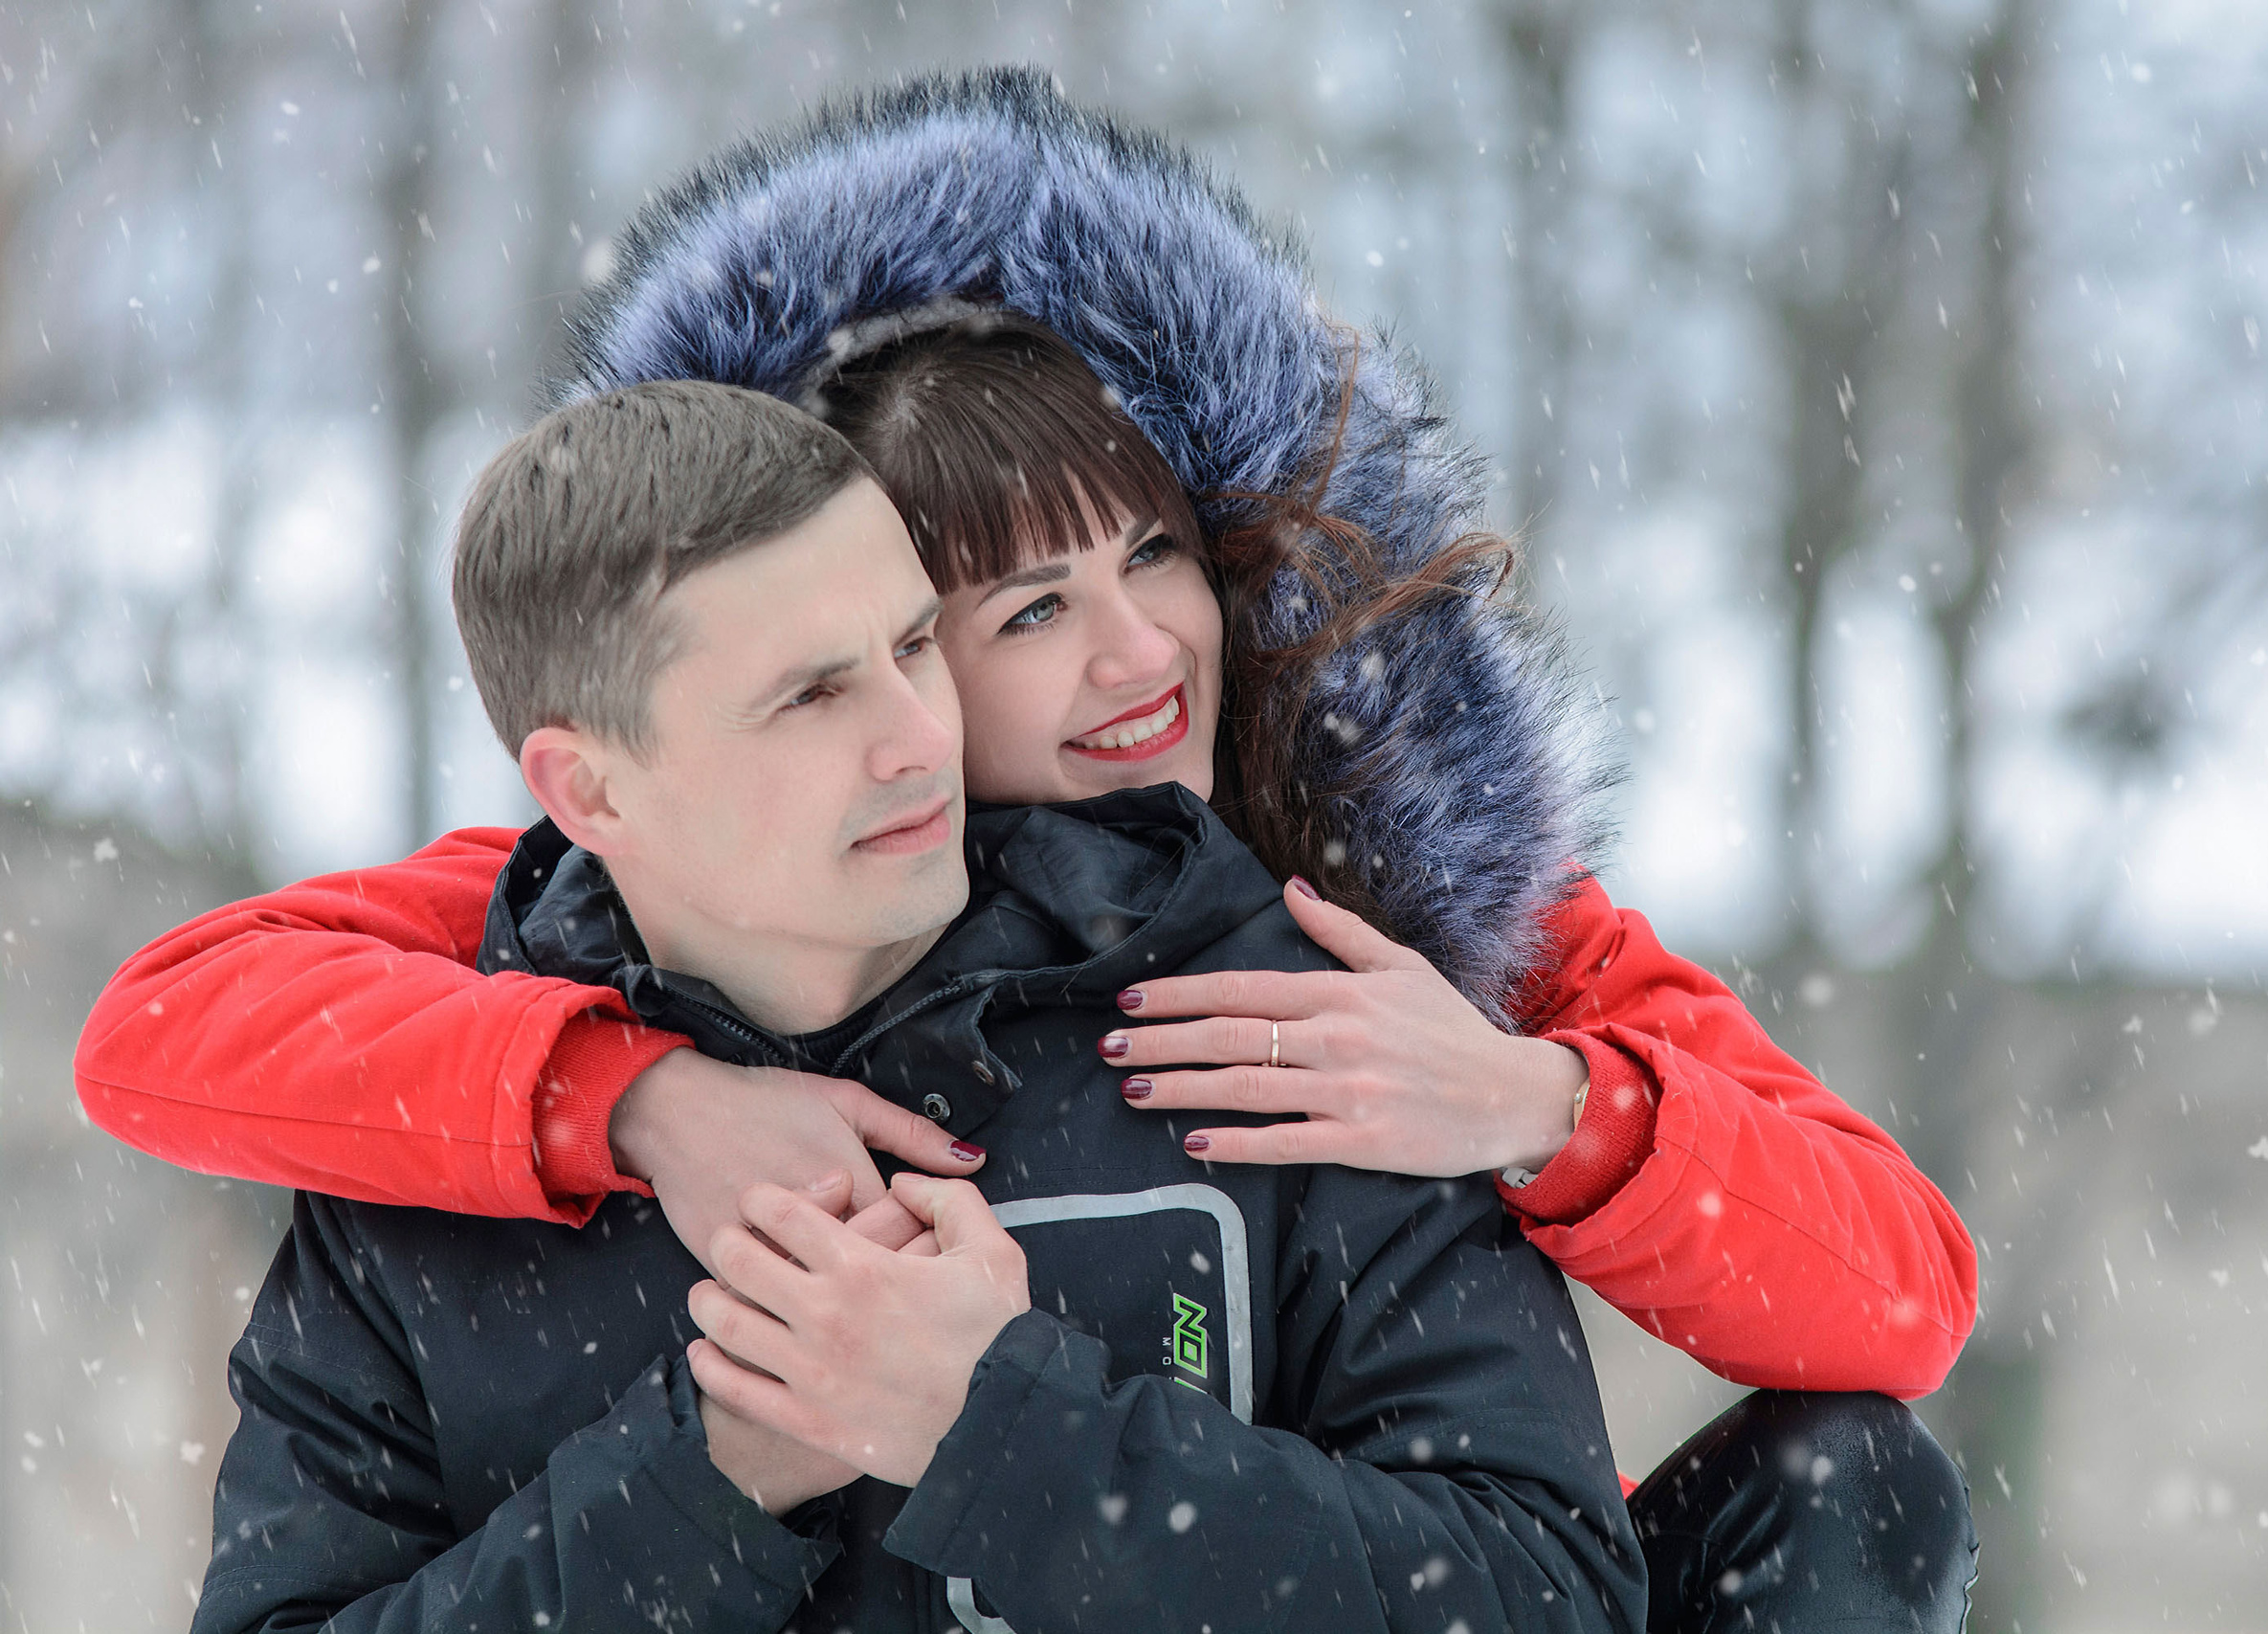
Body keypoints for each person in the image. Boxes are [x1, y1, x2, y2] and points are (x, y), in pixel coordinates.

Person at [94, 72, 1976, 1628]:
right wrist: (633, 1097)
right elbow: (182, 1021)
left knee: (1849, 1485)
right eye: (1012, 611)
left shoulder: (1397, 908)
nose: (1137, 652)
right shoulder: (673, 882)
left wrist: (1533, 1099)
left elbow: (1894, 1296)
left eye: (1156, 556)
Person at [194, 379, 1643, 1634]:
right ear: (592, 789)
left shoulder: (1276, 1032)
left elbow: (1554, 1599)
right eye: (812, 697)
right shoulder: (441, 1171)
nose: (917, 738)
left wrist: (1013, 1438)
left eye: (909, 648)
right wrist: (707, 1479)